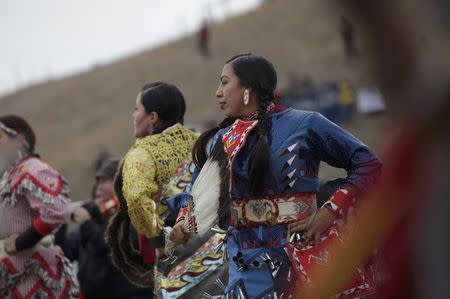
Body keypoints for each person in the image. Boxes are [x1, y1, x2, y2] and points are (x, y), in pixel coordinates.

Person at [170, 53, 382, 298]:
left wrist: (330, 210)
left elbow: (368, 163)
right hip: (246, 266)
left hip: (307, 253)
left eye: (225, 82)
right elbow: (194, 195)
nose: (218, 91)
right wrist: (182, 224)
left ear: (248, 88)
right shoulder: (219, 141)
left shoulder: (305, 124)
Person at [105, 82, 199, 288]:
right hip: (216, 249)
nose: (133, 115)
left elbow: (137, 197)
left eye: (137, 108)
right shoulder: (202, 141)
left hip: (175, 257)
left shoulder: (141, 153)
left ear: (153, 118)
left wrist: (159, 241)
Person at [0, 115, 79, 298]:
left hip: (35, 276)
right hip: (13, 277)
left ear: (19, 140)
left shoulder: (32, 169)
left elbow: (57, 210)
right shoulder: (9, 176)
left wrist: (23, 241)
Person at [57, 159, 154, 299]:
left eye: (104, 181)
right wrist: (59, 221)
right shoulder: (94, 219)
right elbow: (65, 253)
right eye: (98, 182)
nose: (99, 187)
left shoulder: (133, 213)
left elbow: (113, 244)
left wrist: (86, 223)